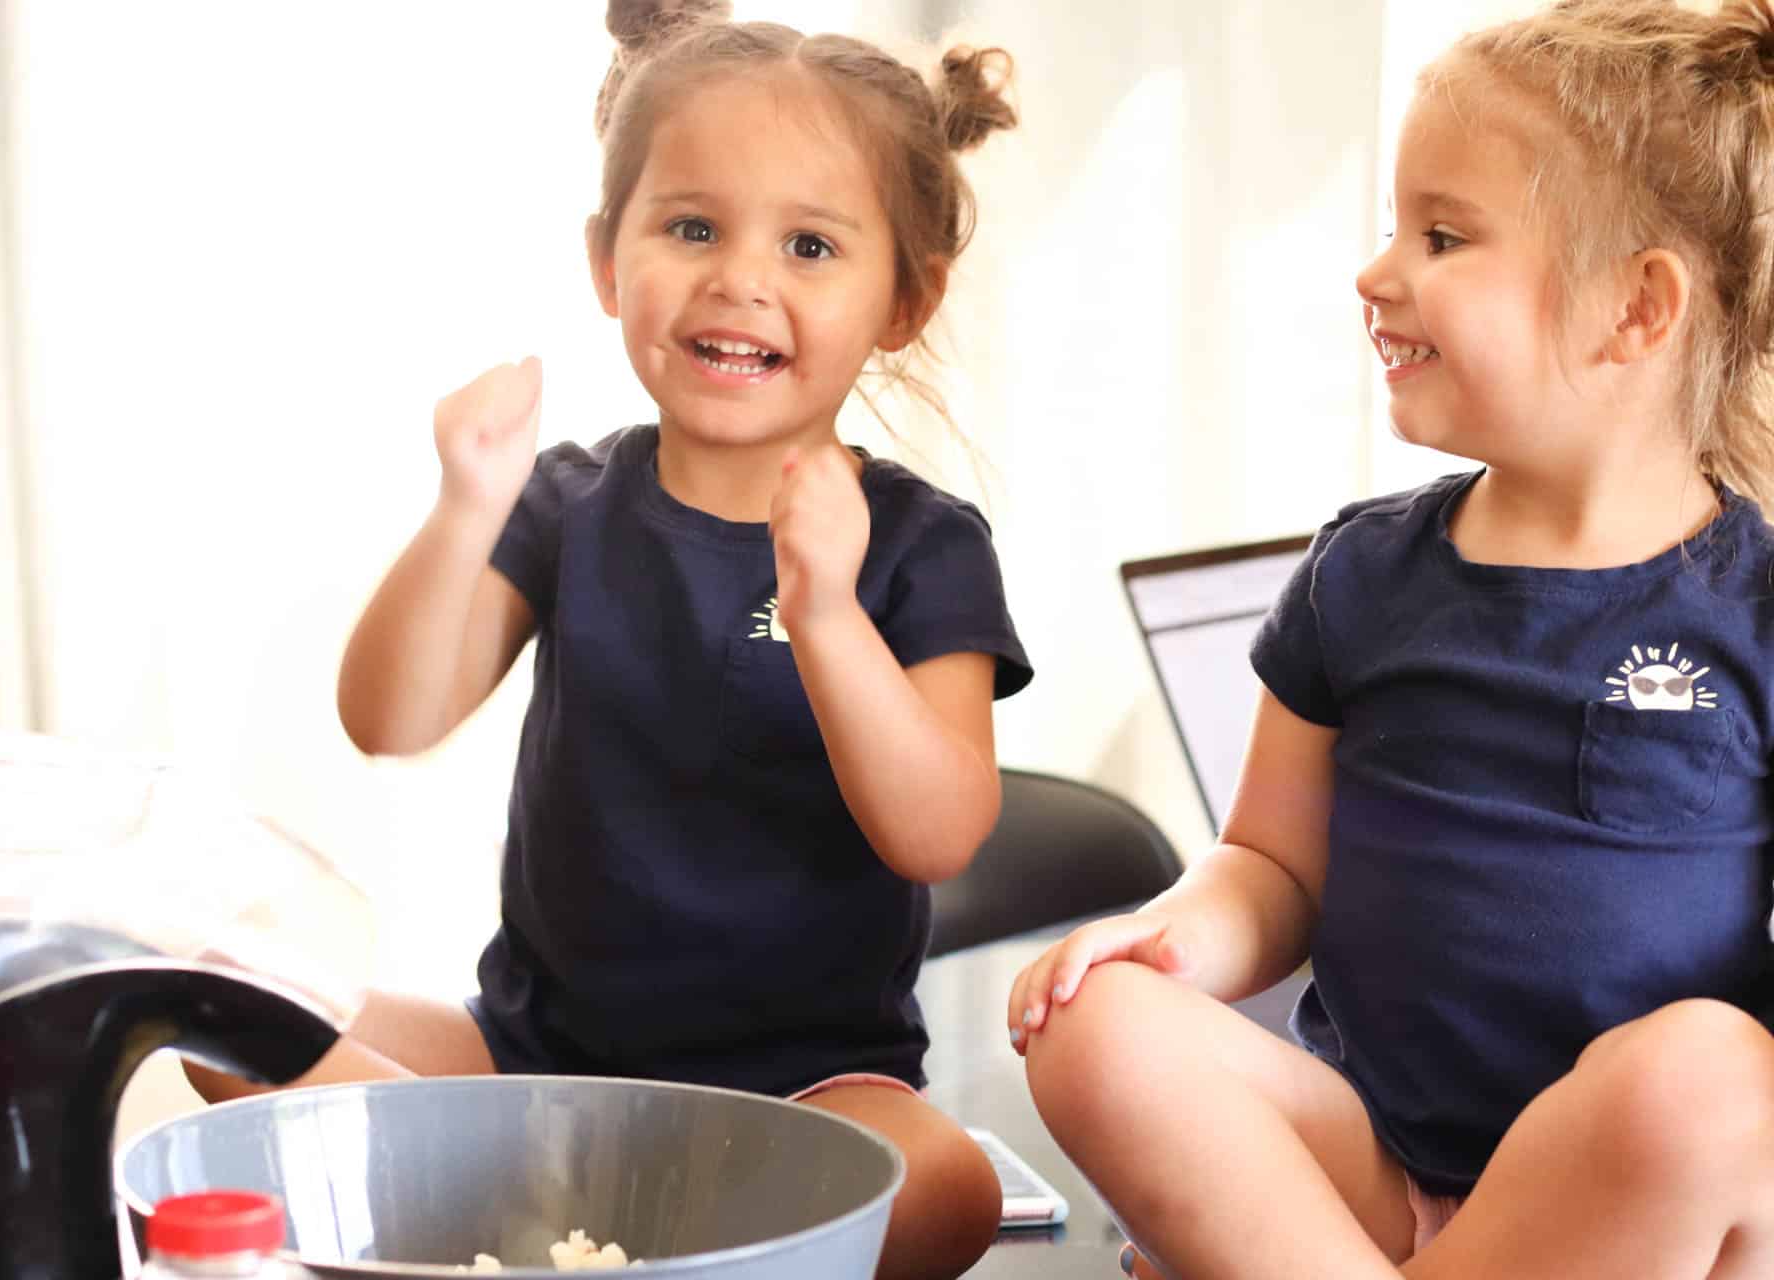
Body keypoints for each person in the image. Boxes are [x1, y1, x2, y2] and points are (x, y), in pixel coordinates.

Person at [186, 3, 1030, 1277]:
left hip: (801, 1098)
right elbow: (389, 716)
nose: (740, 278)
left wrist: (826, 611)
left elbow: (941, 828)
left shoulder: (918, 544)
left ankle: (511, 1221)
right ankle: (580, 1217)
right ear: (606, 260)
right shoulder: (567, 503)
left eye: (810, 245)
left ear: (904, 299)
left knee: (947, 1188)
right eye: (692, 228)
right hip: (532, 1064)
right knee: (211, 1003)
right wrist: (465, 506)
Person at [1007, 2, 1774, 1277]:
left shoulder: (1751, 607)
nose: (1377, 274)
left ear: (1637, 307)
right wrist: (1178, 935)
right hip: (1367, 1167)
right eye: (1392, 228)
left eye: (1442, 235)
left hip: (1632, 1212)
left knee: (1712, 1077)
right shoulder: (1359, 574)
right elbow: (1271, 864)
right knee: (1096, 1024)